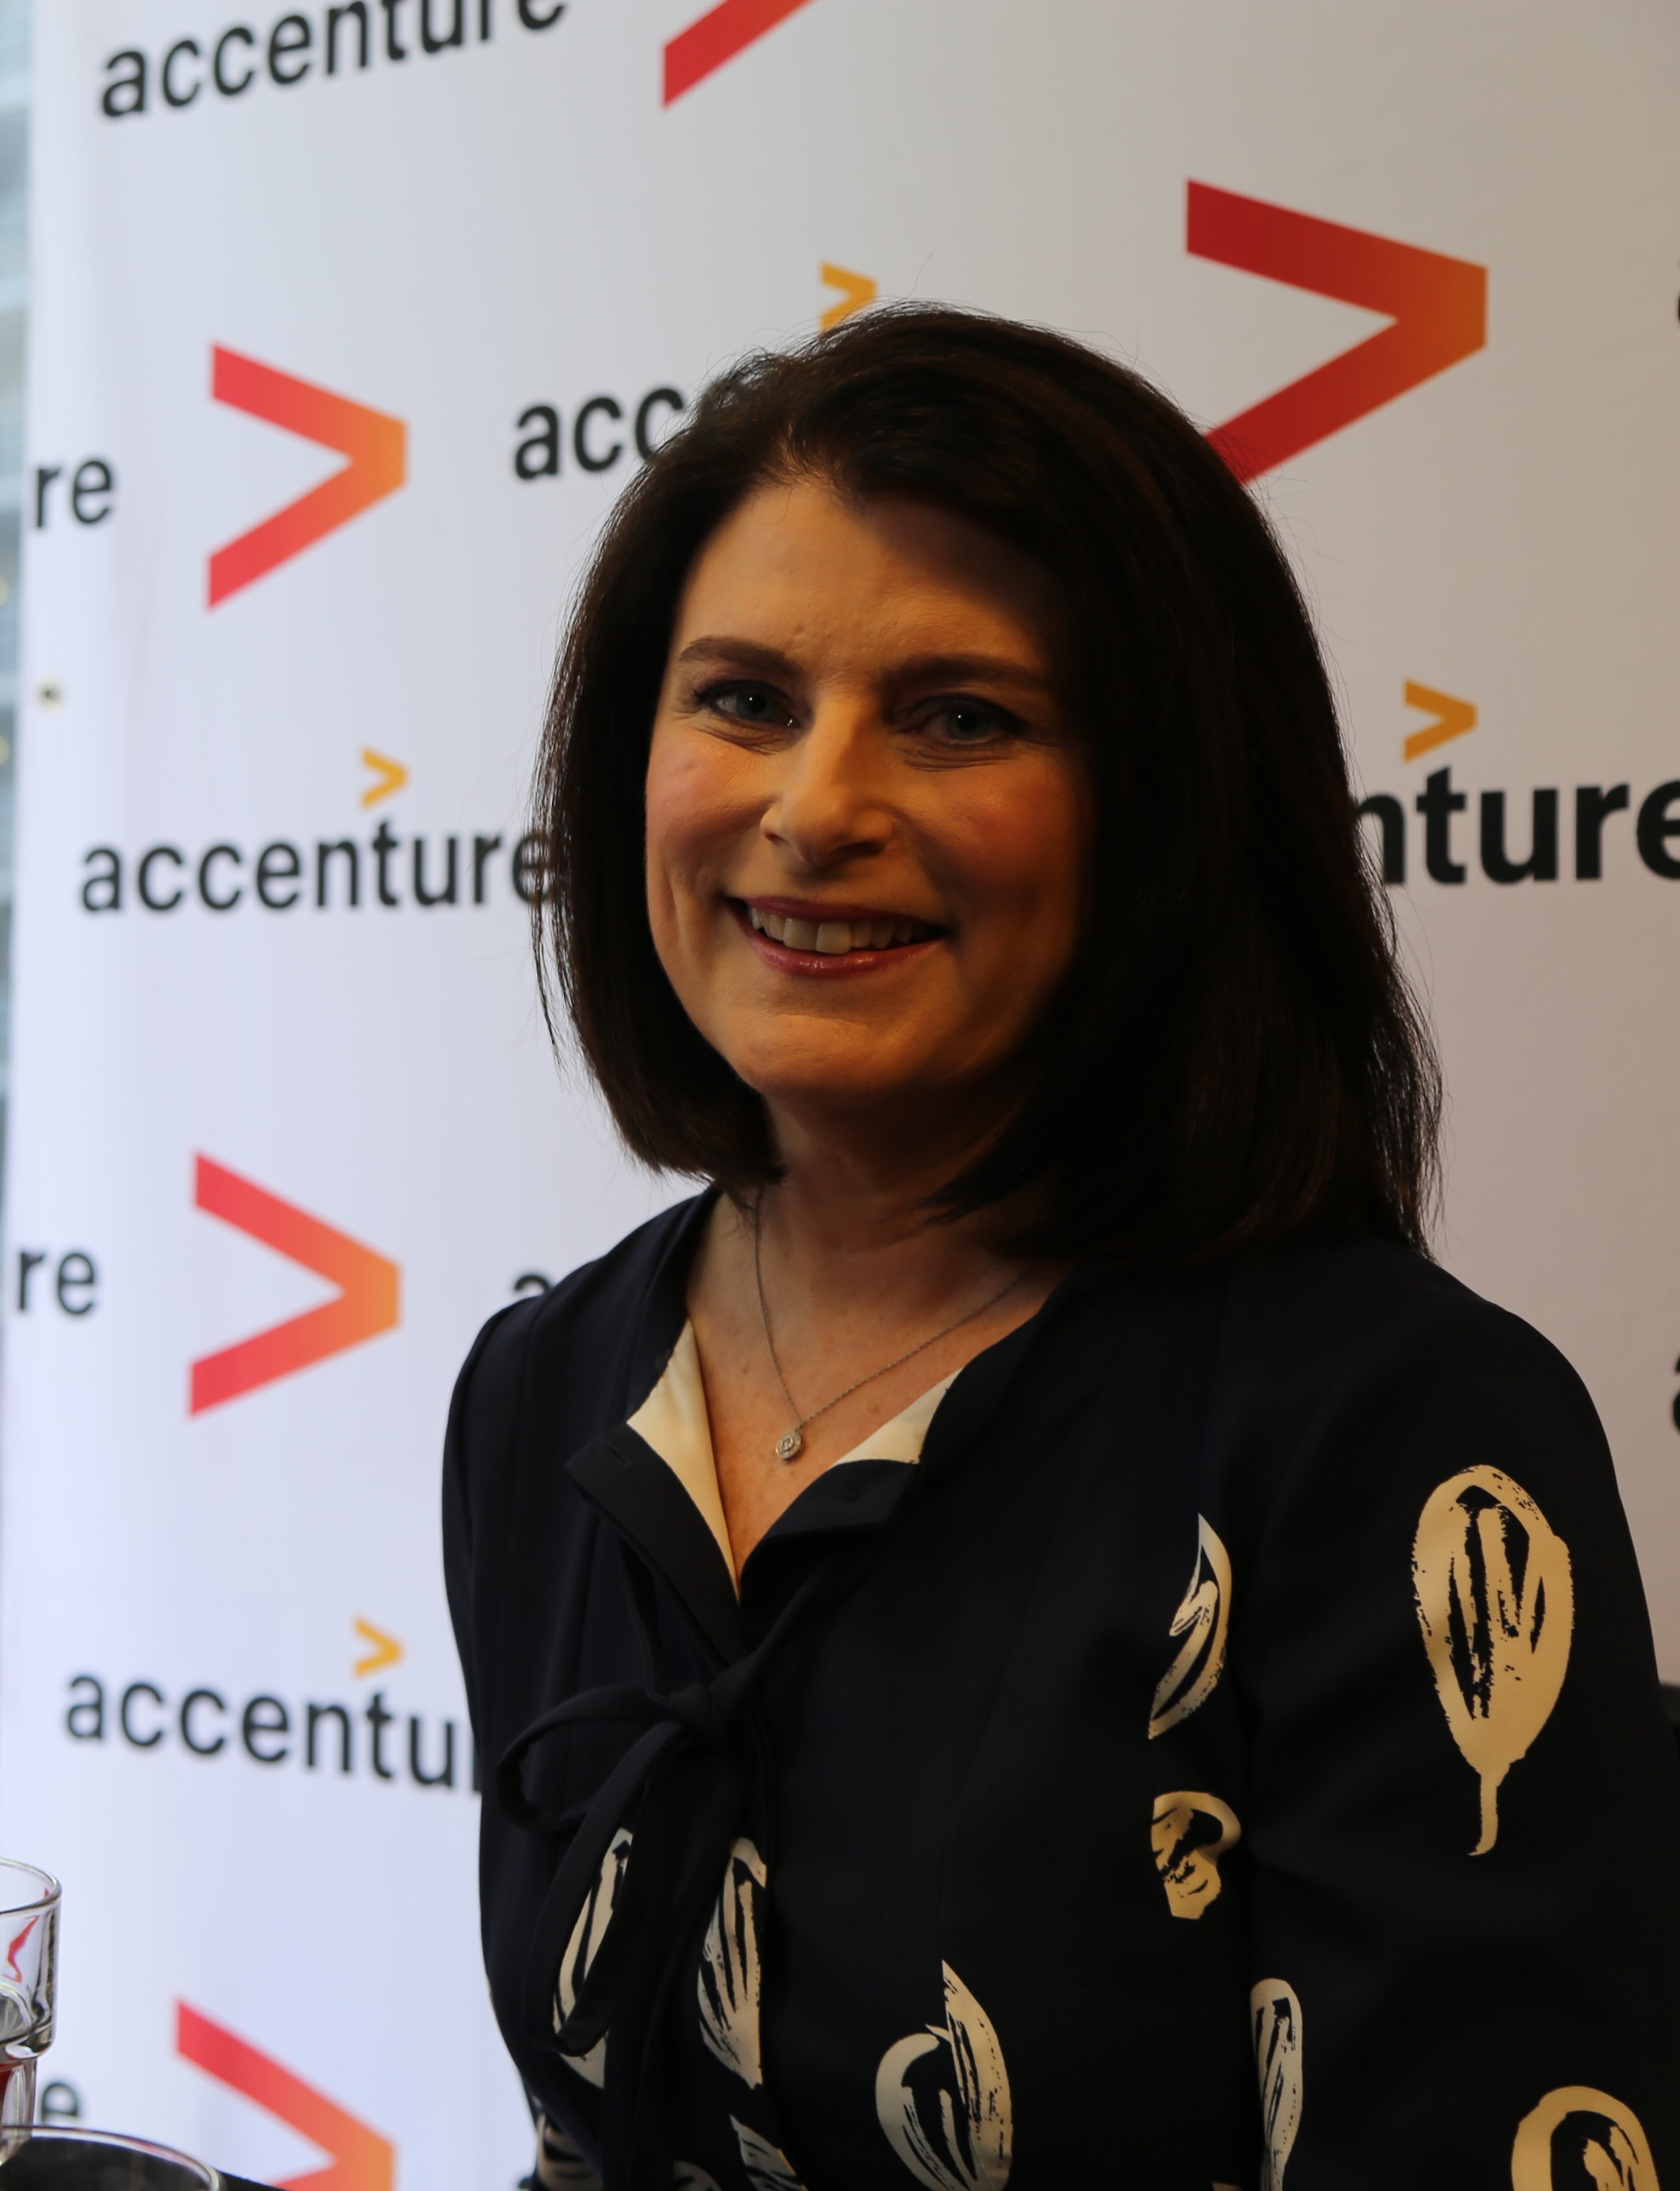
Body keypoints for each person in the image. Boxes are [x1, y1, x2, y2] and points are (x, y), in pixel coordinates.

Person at [444, 306, 1680, 2188]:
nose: (814, 807)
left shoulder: (1392, 1434)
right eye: (744, 700)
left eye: (960, 716)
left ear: (1168, 811)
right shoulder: (545, 1395)